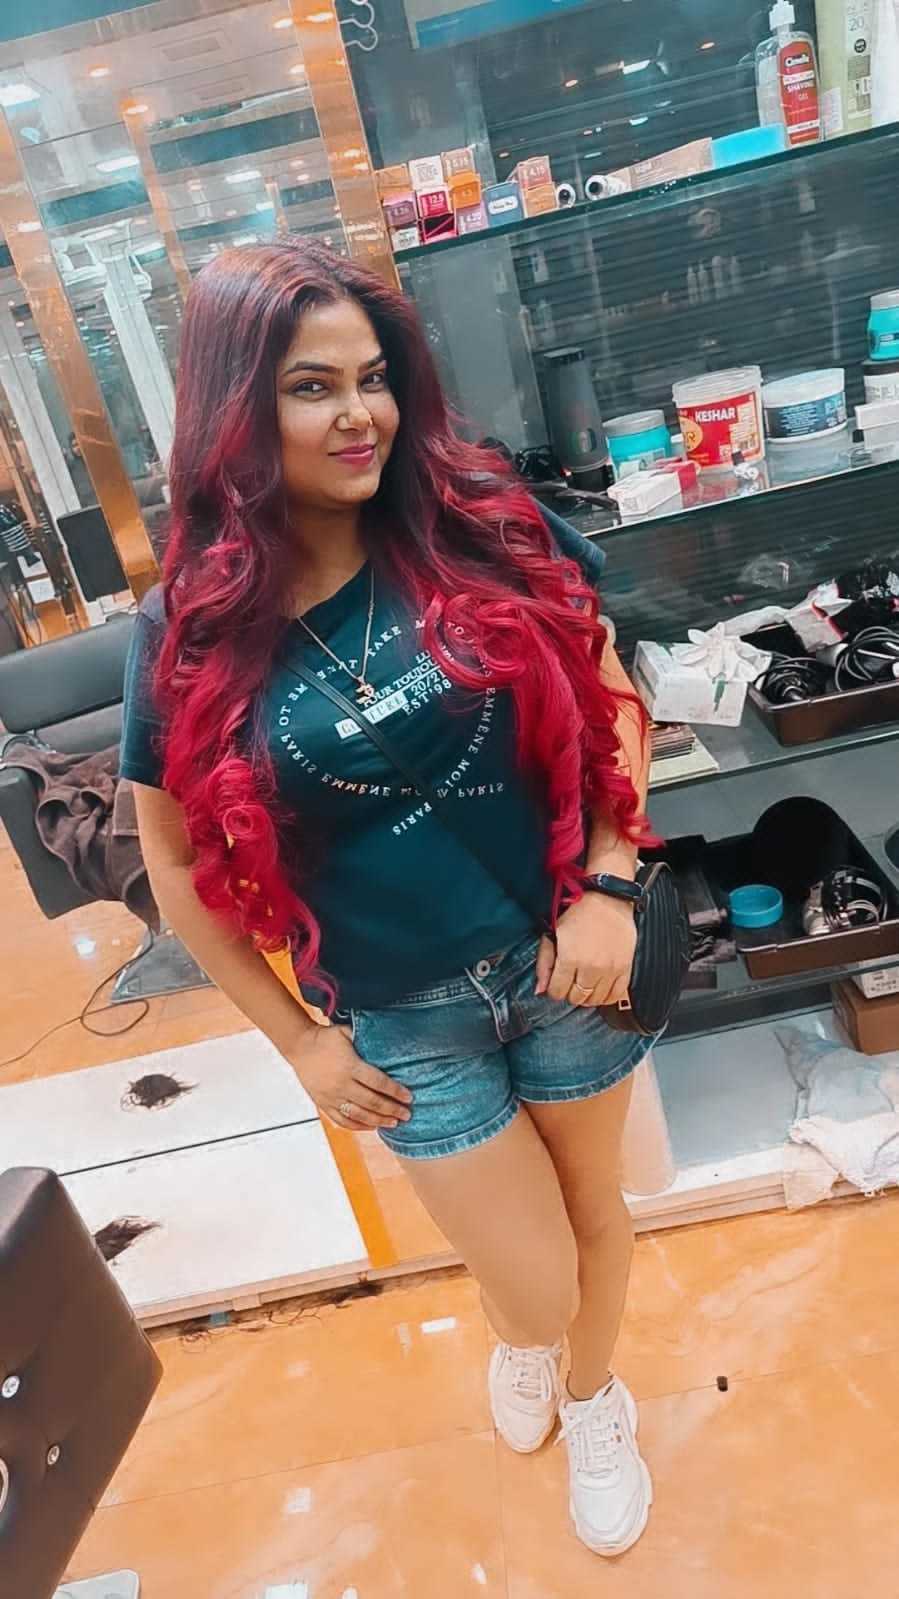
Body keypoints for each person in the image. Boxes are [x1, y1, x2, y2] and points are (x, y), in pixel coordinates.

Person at [120, 239, 655, 1558]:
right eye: (312, 387)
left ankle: (597, 1397)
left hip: (564, 957)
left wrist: (610, 882)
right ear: (236, 413)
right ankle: (535, 1340)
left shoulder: (480, 523)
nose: (360, 414)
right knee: (534, 1278)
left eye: (372, 378)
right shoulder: (187, 629)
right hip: (402, 1019)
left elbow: (613, 694)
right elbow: (176, 868)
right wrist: (298, 1042)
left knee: (596, 1217)